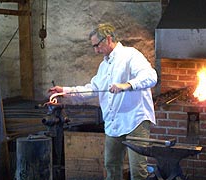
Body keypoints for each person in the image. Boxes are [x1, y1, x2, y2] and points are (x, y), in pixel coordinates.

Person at [49, 23, 157, 180]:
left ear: (108, 39)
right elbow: (92, 89)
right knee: (111, 165)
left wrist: (127, 85)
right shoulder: (104, 66)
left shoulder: (130, 55)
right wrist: (65, 91)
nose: (96, 51)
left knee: (138, 170)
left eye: (97, 46)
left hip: (136, 119)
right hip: (114, 122)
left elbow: (151, 76)